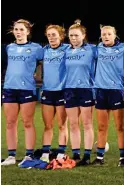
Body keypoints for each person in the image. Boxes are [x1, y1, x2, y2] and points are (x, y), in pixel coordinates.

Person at [1, 19, 44, 166]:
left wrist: (38, 75)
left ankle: (29, 155)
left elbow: (47, 62)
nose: (18, 32)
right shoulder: (9, 48)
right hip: (9, 88)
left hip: (27, 89)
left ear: (28, 31)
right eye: (16, 29)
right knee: (10, 123)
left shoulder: (37, 48)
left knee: (27, 122)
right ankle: (11, 156)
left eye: (21, 30)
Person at [61, 20, 97, 166]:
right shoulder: (66, 50)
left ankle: (87, 155)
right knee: (73, 124)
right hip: (69, 89)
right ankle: (75, 154)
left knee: (87, 123)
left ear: (83, 35)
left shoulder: (92, 49)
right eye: (71, 36)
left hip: (86, 89)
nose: (73, 38)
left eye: (76, 35)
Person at [93, 25, 124, 166]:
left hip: (117, 91)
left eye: (109, 34)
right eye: (103, 34)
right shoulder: (98, 48)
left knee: (120, 126)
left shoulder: (123, 49)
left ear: (115, 35)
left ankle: (122, 158)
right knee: (102, 126)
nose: (106, 36)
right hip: (101, 90)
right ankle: (99, 158)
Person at [38, 24, 69, 162]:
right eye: (49, 35)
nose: (51, 38)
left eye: (54, 35)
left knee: (62, 125)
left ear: (61, 36)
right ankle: (45, 153)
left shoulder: (67, 49)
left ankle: (61, 152)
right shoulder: (44, 51)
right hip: (47, 91)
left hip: (62, 91)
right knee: (47, 125)